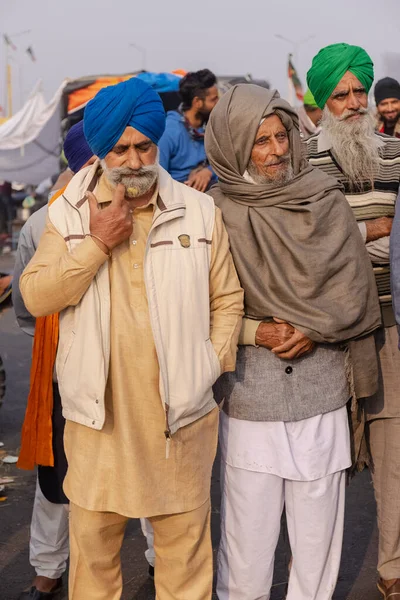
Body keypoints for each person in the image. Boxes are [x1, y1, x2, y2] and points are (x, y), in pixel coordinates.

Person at [20, 77, 243, 600]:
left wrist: (207, 364)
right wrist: (97, 243)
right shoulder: (66, 214)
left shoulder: (199, 211)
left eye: (144, 145)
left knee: (185, 566)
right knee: (94, 568)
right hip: (98, 424)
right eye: (120, 149)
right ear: (99, 151)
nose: (135, 159)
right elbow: (34, 297)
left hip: (180, 419)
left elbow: (227, 299)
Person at [204, 83, 381, 600]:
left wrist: (313, 327)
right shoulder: (212, 214)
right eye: (261, 141)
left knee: (317, 540)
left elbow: (354, 287)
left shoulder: (323, 198)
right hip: (250, 394)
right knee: (246, 542)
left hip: (320, 390)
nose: (278, 150)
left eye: (282, 136)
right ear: (234, 145)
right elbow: (198, 303)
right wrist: (253, 330)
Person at [305, 42, 400, 600]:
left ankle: (391, 567)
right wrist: (372, 232)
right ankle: (316, 577)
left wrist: (347, 240)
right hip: (326, 331)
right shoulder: (300, 163)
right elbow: (307, 246)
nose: (354, 102)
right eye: (340, 94)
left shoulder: (395, 153)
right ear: (321, 102)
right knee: (323, 460)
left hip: (389, 321)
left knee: (391, 451)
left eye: (359, 91)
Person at [13, 120, 95, 600]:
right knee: (56, 475)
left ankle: (49, 573)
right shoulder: (43, 224)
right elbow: (29, 304)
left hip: (126, 366)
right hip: (63, 367)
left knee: (143, 468)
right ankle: (48, 570)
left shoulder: (147, 215)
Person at [158, 69, 219, 192]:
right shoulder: (169, 131)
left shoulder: (212, 127)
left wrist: (208, 172)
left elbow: (227, 163)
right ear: (197, 102)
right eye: (213, 100)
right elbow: (158, 179)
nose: (219, 104)